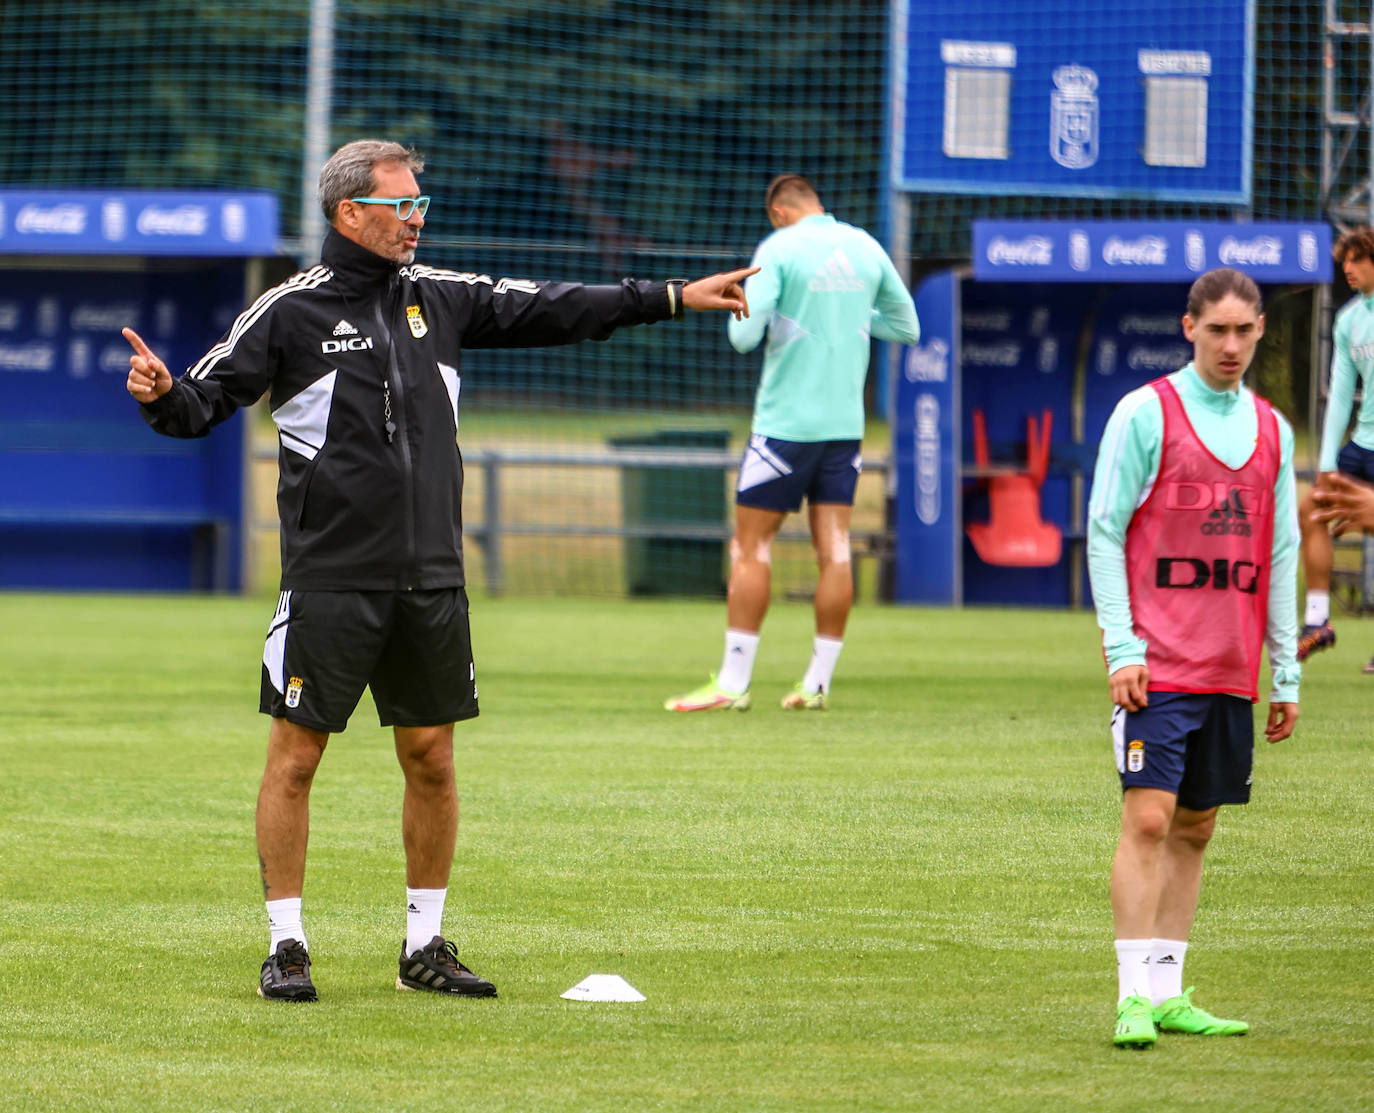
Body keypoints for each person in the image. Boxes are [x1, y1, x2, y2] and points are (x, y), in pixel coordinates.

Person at [124, 138, 755, 1003]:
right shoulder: (288, 310)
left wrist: (673, 296)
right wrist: (162, 394)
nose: (416, 218)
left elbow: (555, 306)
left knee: (431, 758)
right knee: (296, 760)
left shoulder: (442, 297)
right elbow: (200, 402)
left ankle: (423, 946)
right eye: (401, 205)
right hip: (330, 580)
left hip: (432, 580)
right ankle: (287, 945)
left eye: (419, 203)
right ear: (350, 212)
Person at [1086, 268, 1300, 1050]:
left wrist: (1286, 668)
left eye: (1245, 330)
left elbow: (1282, 551)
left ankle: (1169, 992)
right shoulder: (1146, 412)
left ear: (1261, 329)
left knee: (1198, 826)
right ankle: (1130, 998)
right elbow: (1104, 529)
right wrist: (1122, 647)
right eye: (1217, 330)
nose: (1231, 345)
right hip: (1158, 661)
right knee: (1149, 817)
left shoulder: (1273, 429)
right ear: (1189, 328)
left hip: (1230, 666)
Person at [663, 174, 919, 712]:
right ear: (815, 204)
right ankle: (817, 685)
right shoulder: (866, 246)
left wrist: (768, 312)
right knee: (836, 550)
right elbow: (907, 328)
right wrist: (851, 316)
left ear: (778, 212)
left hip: (784, 429)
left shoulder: (778, 249)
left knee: (751, 547)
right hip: (844, 430)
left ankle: (733, 684)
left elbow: (743, 337)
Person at [1295, 226, 1374, 668]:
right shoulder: (1348, 320)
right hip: (1362, 446)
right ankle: (1318, 621)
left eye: (1356, 259)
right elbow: (1341, 395)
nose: (1347, 267)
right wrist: (1326, 463)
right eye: (1344, 260)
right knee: (1312, 509)